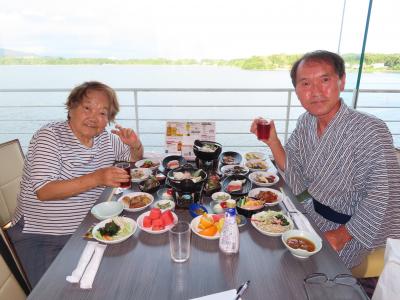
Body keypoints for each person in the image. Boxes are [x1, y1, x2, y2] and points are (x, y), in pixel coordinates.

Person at [250, 50, 400, 268]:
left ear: (342, 81)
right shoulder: (305, 122)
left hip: (349, 230)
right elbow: (293, 169)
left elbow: (382, 196)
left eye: (325, 80)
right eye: (306, 84)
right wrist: (272, 141)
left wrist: (340, 235)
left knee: (310, 274)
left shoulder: (370, 129)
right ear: (297, 91)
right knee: (265, 250)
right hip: (308, 213)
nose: (316, 92)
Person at [8, 81, 144, 286]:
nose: (93, 117)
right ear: (71, 107)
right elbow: (44, 191)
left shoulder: (106, 139)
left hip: (87, 229)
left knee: (127, 277)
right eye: (87, 108)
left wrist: (135, 145)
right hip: (42, 235)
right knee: (56, 292)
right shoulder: (49, 136)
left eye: (102, 113)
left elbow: (133, 162)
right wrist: (97, 178)